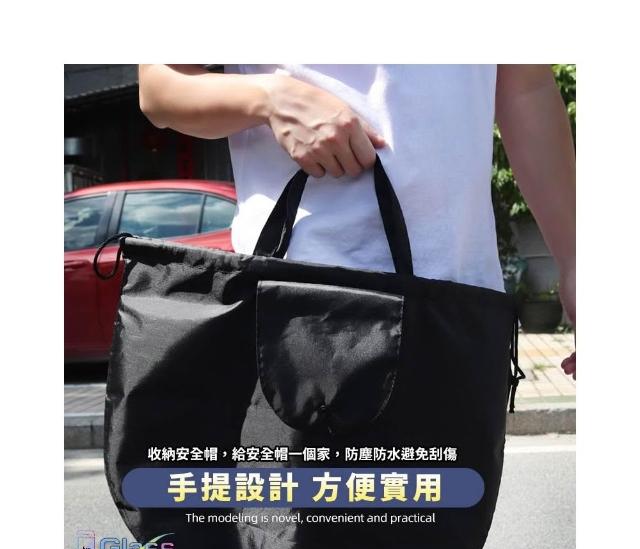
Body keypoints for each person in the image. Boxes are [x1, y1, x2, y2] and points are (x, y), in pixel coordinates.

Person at [138, 64, 576, 379]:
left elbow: (527, 87)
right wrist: (270, 98)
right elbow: (160, 85)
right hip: (295, 305)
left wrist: (576, 261)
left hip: (462, 305)